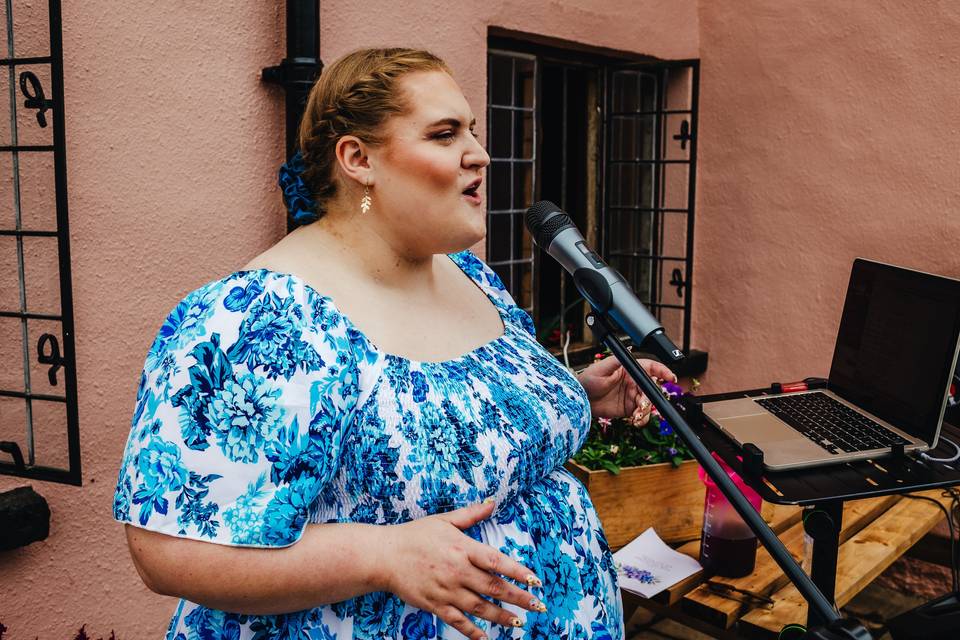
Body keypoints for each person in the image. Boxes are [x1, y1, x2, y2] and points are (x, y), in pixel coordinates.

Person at [113, 47, 676, 640]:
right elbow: (165, 549)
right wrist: (382, 557)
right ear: (358, 159)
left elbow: (470, 431)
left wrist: (578, 395)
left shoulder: (468, 273)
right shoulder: (260, 318)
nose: (479, 153)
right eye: (443, 133)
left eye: (473, 131)